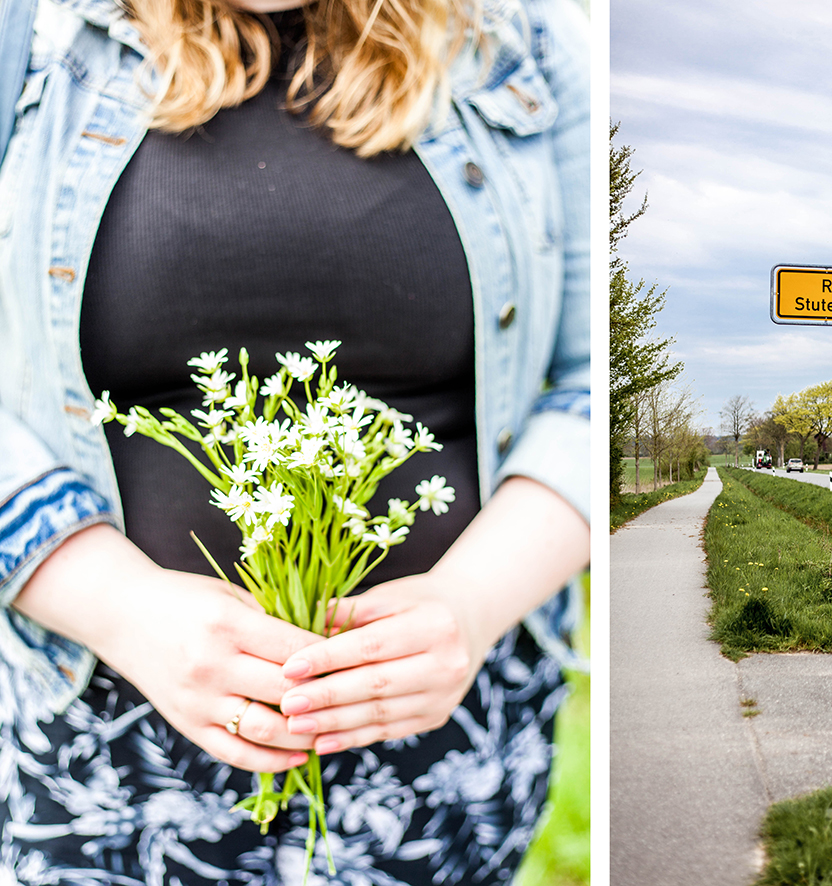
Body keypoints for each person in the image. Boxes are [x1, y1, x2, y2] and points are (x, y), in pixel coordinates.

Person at [0, 0, 590, 880]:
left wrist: (468, 603)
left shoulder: (522, 39)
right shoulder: (33, 31)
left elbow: (587, 381)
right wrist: (119, 606)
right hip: (108, 751)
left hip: (443, 752)